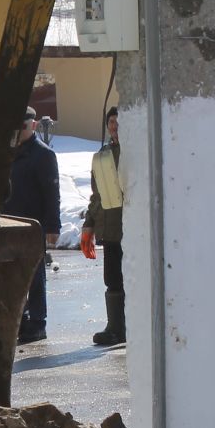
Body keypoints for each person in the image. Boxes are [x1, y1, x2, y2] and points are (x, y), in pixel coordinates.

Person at [2, 106, 60, 344]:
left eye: (24, 127)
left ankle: (38, 323)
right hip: (8, 224)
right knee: (12, 276)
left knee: (34, 277)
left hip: (33, 225)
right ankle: (21, 320)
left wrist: (53, 227)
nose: (19, 132)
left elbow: (51, 192)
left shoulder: (42, 155)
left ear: (33, 126)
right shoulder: (7, 154)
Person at [81, 105, 124, 346]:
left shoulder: (133, 154)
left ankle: (127, 325)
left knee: (130, 279)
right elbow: (97, 195)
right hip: (109, 229)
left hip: (129, 229)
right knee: (112, 278)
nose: (114, 127)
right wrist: (89, 224)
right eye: (111, 123)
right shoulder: (103, 156)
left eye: (118, 122)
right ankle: (116, 326)